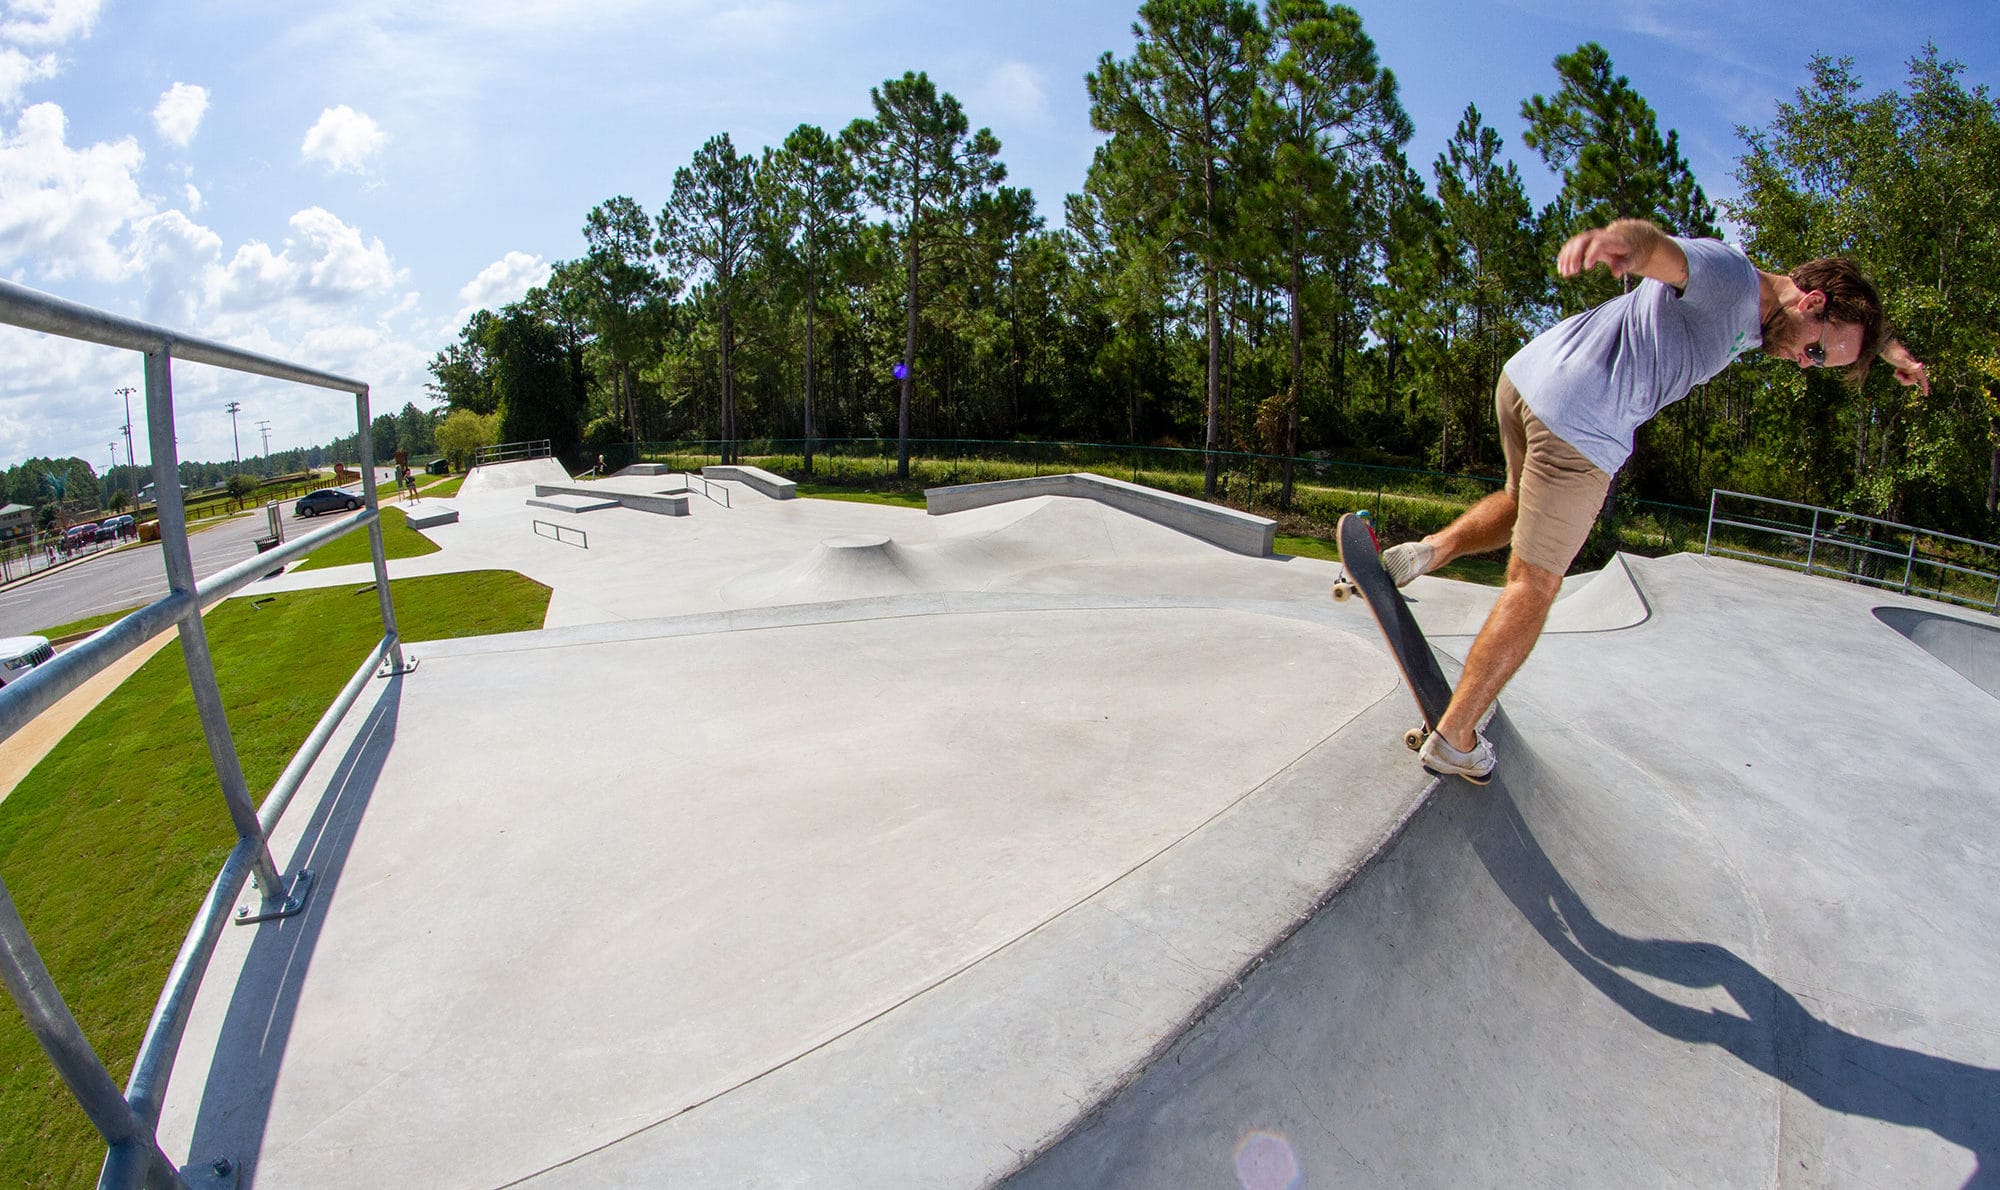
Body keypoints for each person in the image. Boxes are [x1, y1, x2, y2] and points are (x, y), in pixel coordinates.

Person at [1379, 217, 1930, 783]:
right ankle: (1456, 736)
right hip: (1582, 423)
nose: (1803, 363)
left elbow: (1857, 324)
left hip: (1528, 378)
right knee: (1535, 584)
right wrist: (1621, 245)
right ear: (1811, 302)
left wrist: (1896, 355)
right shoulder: (1732, 279)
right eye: (1816, 353)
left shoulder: (1771, 310)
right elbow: (1660, 251)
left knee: (1520, 498)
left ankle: (1427, 552)